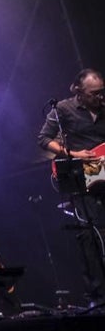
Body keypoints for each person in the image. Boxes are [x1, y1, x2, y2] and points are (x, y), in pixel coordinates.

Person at [38, 68, 105, 306]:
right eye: (94, 94)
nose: (100, 98)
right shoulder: (64, 109)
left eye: (102, 93)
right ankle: (96, 296)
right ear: (78, 91)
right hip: (82, 177)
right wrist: (74, 153)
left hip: (104, 174)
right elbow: (44, 139)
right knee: (90, 235)